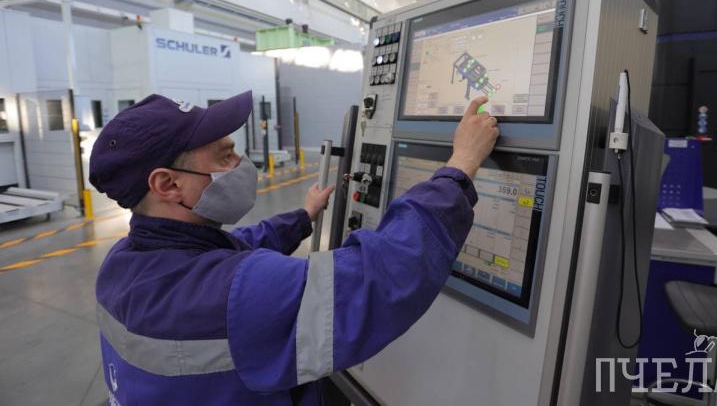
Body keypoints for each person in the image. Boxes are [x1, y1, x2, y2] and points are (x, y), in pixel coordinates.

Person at [90, 90, 499, 406]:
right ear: (168, 184)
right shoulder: (231, 295)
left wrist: (303, 217)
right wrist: (460, 166)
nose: (241, 164)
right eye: (225, 156)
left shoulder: (122, 263)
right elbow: (380, 277)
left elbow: (236, 248)